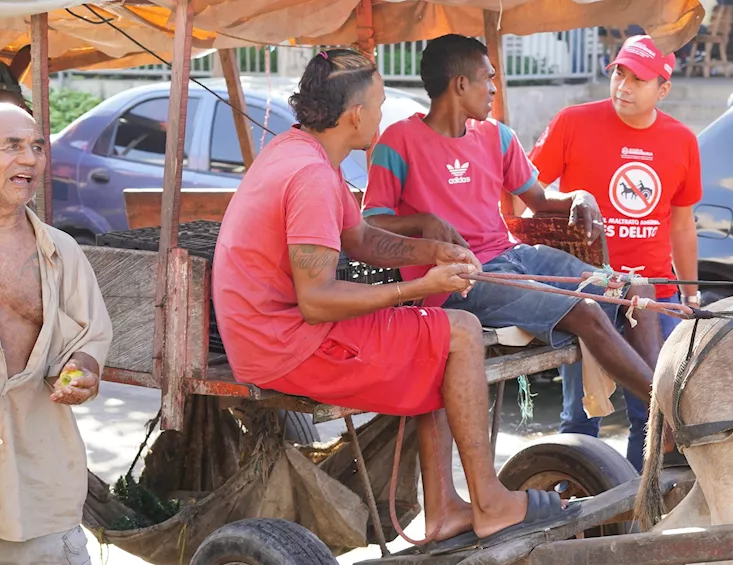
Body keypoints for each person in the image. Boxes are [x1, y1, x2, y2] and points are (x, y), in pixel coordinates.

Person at [212, 49, 572, 548]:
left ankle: (446, 508)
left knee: (438, 338)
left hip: (273, 334)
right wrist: (420, 286)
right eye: (379, 106)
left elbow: (359, 237)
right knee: (460, 331)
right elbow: (316, 300)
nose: (382, 117)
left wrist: (431, 249)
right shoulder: (311, 176)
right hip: (284, 346)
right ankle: (488, 502)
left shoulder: (302, 151)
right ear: (355, 115)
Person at [362, 36, 663, 417]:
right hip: (462, 281)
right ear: (460, 85)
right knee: (585, 310)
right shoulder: (398, 141)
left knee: (638, 290)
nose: (493, 88)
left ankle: (662, 419)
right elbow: (371, 223)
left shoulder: (498, 137)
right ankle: (667, 413)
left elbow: (539, 200)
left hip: (515, 258)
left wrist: (579, 197)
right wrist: (424, 220)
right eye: (487, 78)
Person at [529, 35, 702, 472]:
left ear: (662, 89)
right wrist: (571, 198)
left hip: (655, 296)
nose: (623, 86)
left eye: (638, 79)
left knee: (651, 413)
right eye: (620, 73)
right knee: (581, 414)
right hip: (588, 296)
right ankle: (576, 510)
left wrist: (691, 292)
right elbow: (526, 192)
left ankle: (635, 513)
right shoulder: (572, 122)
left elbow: (681, 223)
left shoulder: (681, 140)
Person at [0, 103, 112, 563]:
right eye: (12, 146)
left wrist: (83, 370)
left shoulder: (61, 253)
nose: (29, 159)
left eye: (37, 147)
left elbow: (89, 340)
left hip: (39, 488)